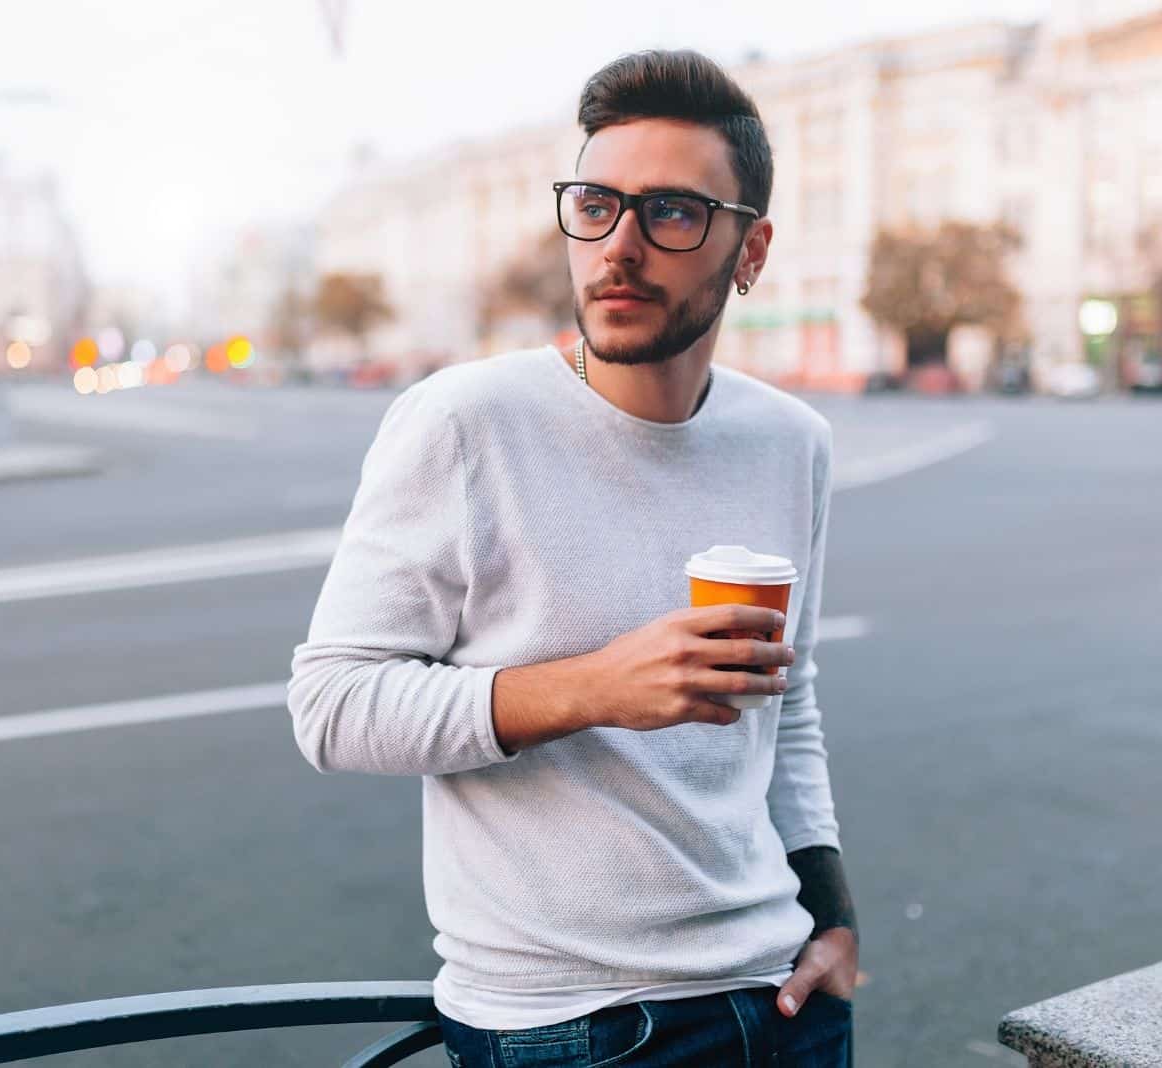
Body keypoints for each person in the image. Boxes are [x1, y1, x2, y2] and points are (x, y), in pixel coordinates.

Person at [288, 48, 857, 1067]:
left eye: (673, 212)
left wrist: (831, 912)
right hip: (567, 1026)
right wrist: (594, 687)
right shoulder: (464, 422)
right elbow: (333, 707)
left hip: (782, 1005)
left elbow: (790, 696)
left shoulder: (792, 442)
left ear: (751, 250)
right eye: (595, 204)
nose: (620, 246)